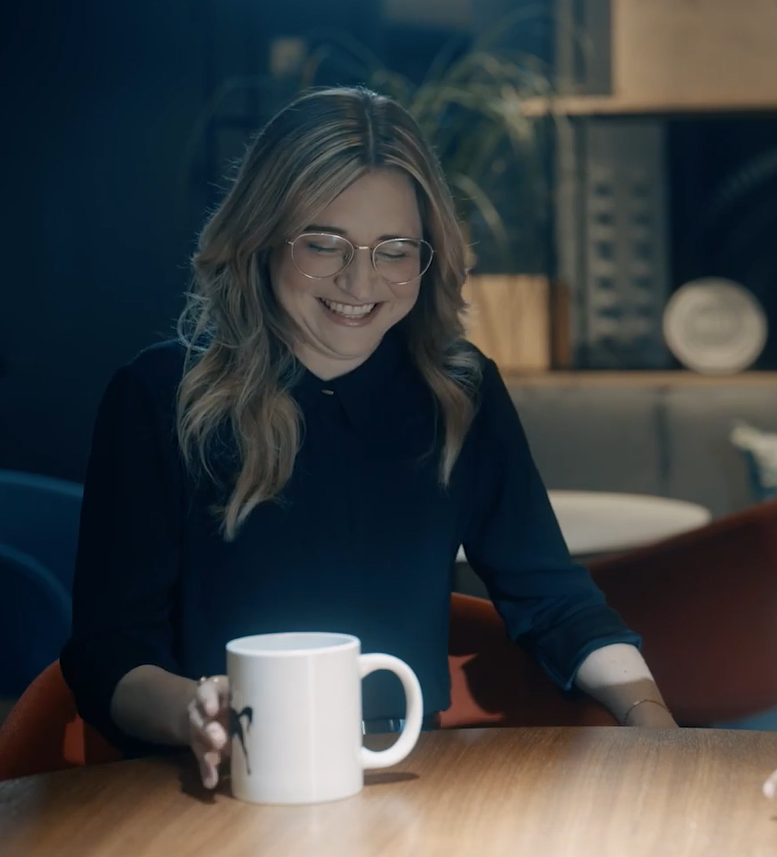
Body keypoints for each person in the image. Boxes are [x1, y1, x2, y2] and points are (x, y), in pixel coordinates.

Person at [61, 86, 677, 791]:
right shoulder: (157, 395)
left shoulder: (459, 389)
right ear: (261, 239)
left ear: (429, 254)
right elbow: (108, 648)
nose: (360, 281)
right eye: (323, 243)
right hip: (210, 780)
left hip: (405, 777)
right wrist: (191, 712)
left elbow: (553, 599)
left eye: (394, 249)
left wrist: (645, 709)